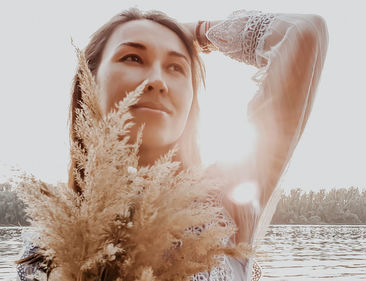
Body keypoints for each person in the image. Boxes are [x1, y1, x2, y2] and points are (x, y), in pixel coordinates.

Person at [16, 7, 328, 281]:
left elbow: (303, 33)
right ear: (90, 81)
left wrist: (199, 33)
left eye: (176, 67)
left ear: (192, 98)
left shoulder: (226, 201)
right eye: (133, 57)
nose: (157, 80)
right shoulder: (49, 239)